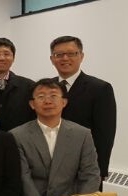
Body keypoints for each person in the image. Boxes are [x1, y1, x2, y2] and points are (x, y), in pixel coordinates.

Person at [10, 78, 100, 196]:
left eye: (53, 95)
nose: (48, 101)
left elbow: (90, 175)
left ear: (64, 102)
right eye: (41, 96)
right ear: (32, 104)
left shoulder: (82, 134)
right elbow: (23, 178)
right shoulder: (16, 136)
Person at [49, 36, 115, 184]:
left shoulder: (100, 88)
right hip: (50, 166)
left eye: (71, 53)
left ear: (81, 56)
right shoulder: (47, 87)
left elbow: (105, 134)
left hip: (84, 167)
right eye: (59, 55)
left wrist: (100, 170)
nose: (65, 58)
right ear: (52, 59)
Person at [0, 38, 35, 132]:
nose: (1, 58)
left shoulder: (29, 86)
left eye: (6, 54)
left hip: (19, 141)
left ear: (13, 58)